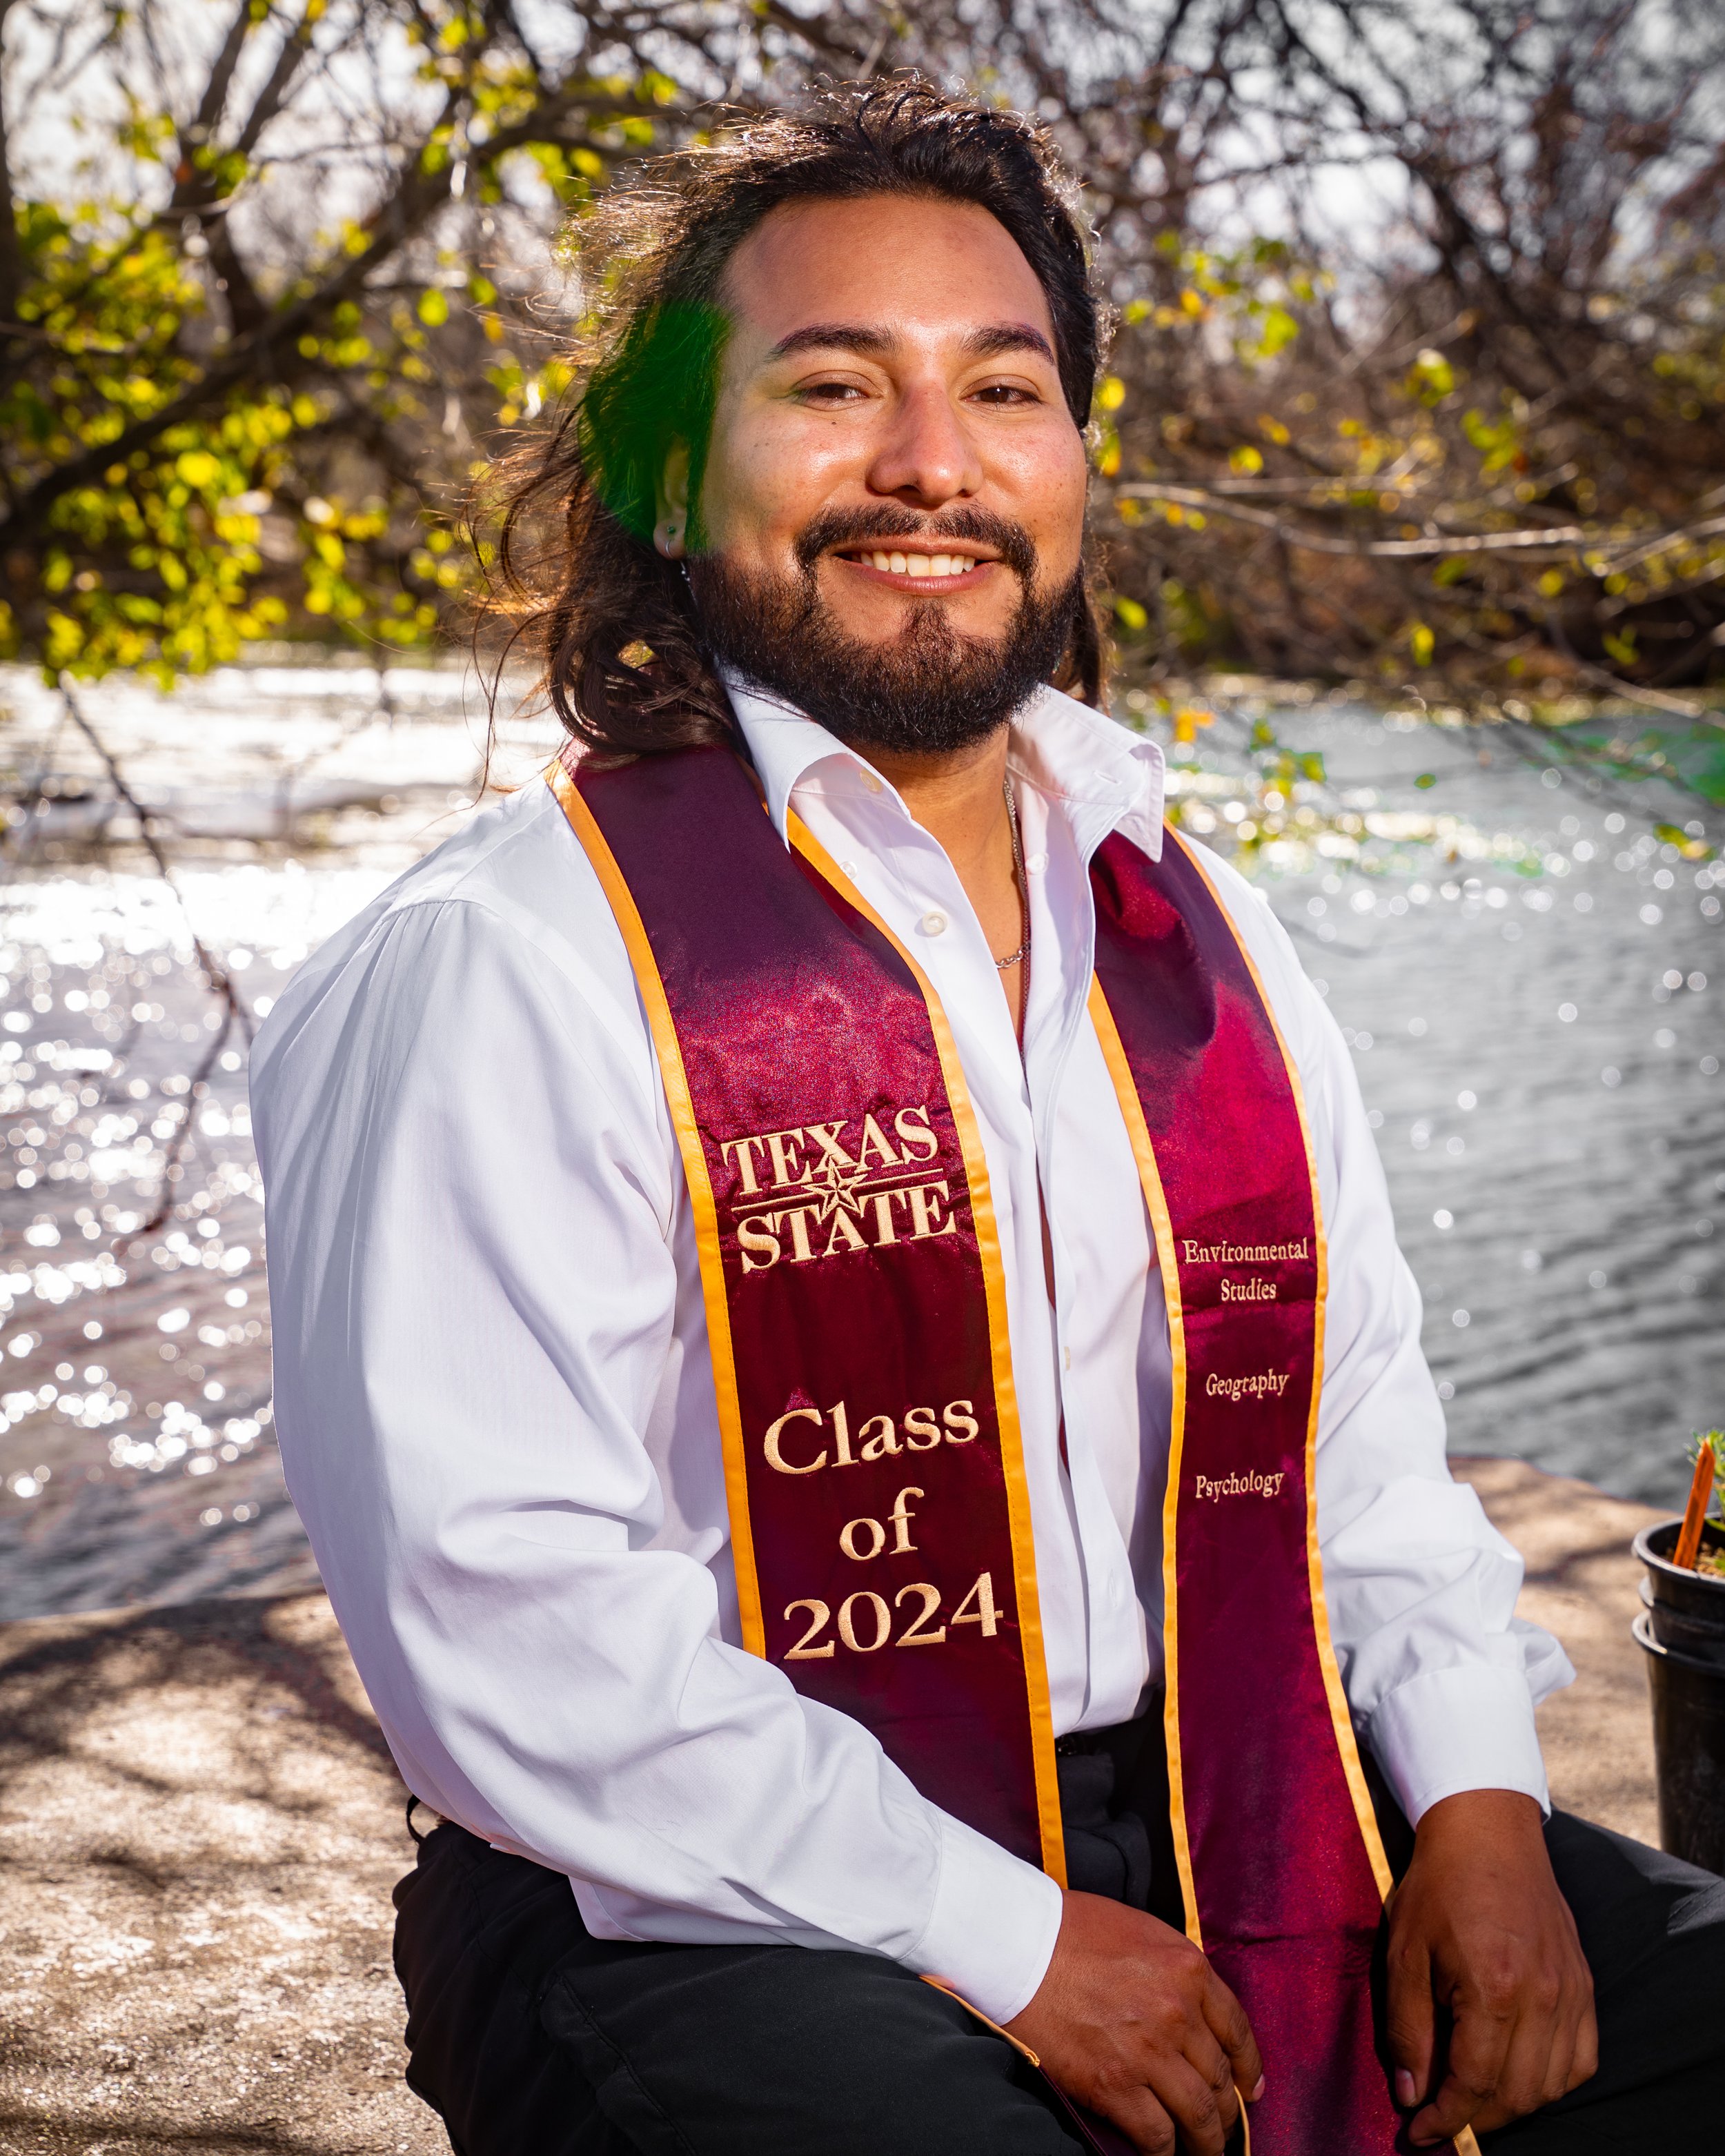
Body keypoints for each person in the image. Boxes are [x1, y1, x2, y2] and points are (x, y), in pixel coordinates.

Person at [251, 81, 1724, 2156]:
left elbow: (1352, 1436)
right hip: (684, 1897)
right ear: (668, 476)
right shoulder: (505, 958)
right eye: (833, 385)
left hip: (1242, 1793)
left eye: (1003, 389)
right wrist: (1008, 1935)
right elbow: (512, 1626)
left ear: (1075, 467)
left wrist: (1478, 1807)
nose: (929, 463)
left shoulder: (1193, 923)